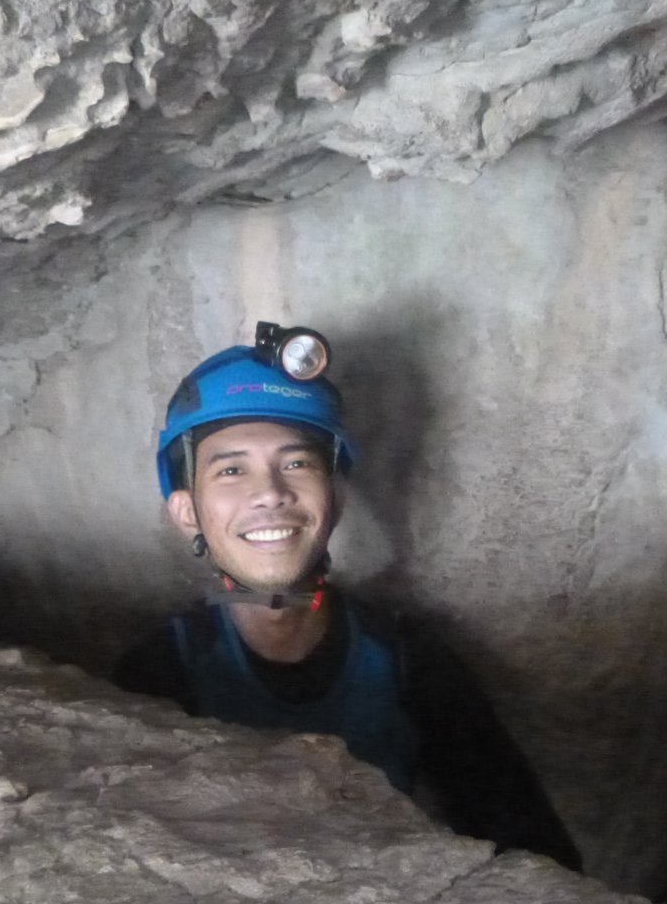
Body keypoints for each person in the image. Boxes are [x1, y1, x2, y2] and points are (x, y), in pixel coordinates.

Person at [113, 322, 581, 872]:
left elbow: (536, 853)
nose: (270, 493)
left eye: (296, 464)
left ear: (333, 499)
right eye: (232, 469)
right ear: (187, 511)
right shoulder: (159, 675)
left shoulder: (408, 662)